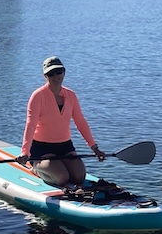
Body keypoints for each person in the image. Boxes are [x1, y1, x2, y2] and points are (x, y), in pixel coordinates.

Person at [18, 56, 105, 187]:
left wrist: (94, 148)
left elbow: (80, 122)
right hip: (41, 148)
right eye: (50, 73)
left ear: (64, 72)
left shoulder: (71, 95)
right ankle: (36, 168)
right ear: (45, 76)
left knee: (79, 177)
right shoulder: (37, 96)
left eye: (58, 72)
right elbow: (30, 125)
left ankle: (55, 166)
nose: (55, 76)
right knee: (62, 178)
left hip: (65, 146)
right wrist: (25, 152)